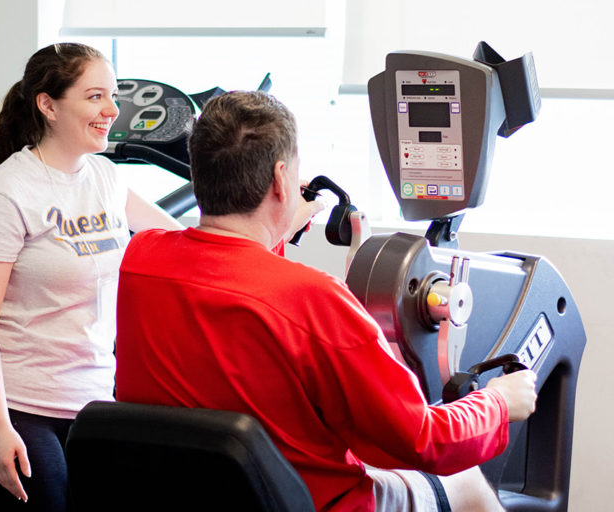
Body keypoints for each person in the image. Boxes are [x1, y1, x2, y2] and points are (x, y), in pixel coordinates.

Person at [115, 91, 538, 511]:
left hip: (183, 493)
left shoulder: (140, 259)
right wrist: (499, 403)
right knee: (465, 484)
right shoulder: (314, 298)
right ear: (281, 180)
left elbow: (224, 270)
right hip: (311, 502)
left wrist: (275, 229)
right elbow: (424, 441)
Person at [0, 42, 183, 511]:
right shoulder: (4, 193)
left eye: (113, 96)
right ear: (48, 104)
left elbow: (185, 243)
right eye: (95, 96)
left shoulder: (106, 178)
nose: (112, 110)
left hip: (90, 404)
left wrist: (275, 212)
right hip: (14, 408)